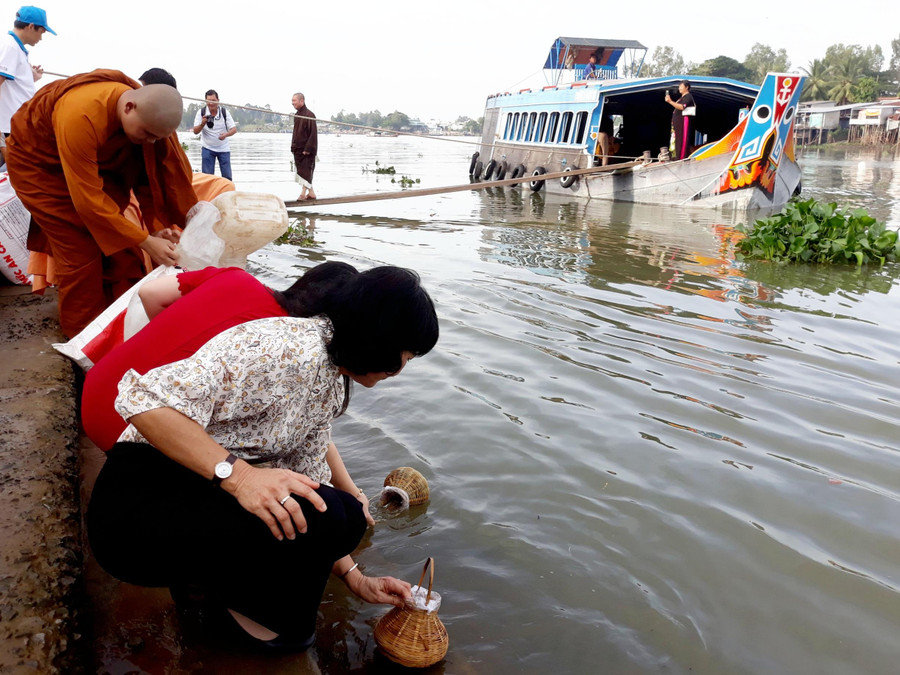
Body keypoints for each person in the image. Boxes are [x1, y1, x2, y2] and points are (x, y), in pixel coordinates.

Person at [86, 263, 440, 651]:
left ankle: (207, 586)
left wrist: (356, 578)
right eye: (406, 352)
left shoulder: (331, 380)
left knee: (344, 516)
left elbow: (315, 486)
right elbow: (141, 398)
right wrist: (240, 478)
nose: (402, 368)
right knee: (292, 629)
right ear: (379, 336)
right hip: (133, 509)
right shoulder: (281, 347)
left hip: (189, 490)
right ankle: (210, 603)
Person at [5, 69, 198, 337]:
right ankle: (83, 338)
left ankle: (118, 327)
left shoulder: (139, 119)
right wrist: (145, 241)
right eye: (147, 134)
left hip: (93, 171)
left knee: (118, 248)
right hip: (41, 171)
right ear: (129, 107)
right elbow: (88, 203)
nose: (150, 142)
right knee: (79, 252)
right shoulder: (80, 114)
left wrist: (153, 229)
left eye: (157, 137)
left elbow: (149, 174)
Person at [82, 265, 295, 452]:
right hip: (129, 434)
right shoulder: (288, 345)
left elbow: (149, 293)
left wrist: (168, 337)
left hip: (95, 389)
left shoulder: (237, 277)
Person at [0, 6, 55, 136]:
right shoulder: (10, 47)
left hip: (16, 126)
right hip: (8, 129)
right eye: (41, 32)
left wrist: (31, 77)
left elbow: (12, 85)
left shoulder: (16, 48)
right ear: (31, 26)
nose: (40, 38)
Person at [192, 89, 236, 181]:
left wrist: (225, 135)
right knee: (207, 178)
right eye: (208, 101)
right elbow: (195, 131)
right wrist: (203, 123)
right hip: (207, 148)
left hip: (223, 148)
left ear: (218, 100)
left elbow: (234, 129)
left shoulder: (224, 112)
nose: (211, 103)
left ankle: (227, 194)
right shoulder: (201, 113)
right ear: (205, 101)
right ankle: (209, 195)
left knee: (227, 177)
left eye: (213, 100)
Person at [291, 92, 317, 200]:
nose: (292, 103)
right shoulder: (297, 115)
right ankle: (311, 193)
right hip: (297, 149)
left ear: (302, 101)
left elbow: (313, 134)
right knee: (301, 172)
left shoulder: (310, 115)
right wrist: (293, 146)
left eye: (294, 101)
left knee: (306, 172)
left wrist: (308, 149)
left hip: (306, 150)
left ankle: (303, 193)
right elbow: (295, 133)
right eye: (292, 101)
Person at [665, 80, 696, 160]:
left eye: (681, 86)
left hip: (683, 122)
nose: (679, 88)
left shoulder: (688, 96)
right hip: (677, 124)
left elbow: (682, 107)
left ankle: (681, 157)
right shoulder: (681, 98)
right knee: (675, 140)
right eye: (679, 86)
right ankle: (675, 157)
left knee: (681, 139)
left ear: (687, 87)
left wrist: (670, 101)